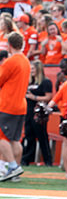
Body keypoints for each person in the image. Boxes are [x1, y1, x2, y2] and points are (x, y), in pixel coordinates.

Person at [0, 32, 30, 181]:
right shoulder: (26, 61)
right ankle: (15, 170)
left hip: (8, 104)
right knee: (14, 140)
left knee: (2, 137)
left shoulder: (11, 61)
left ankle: (13, 166)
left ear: (9, 45)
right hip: (20, 105)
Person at [22, 60, 53, 167]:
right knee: (29, 135)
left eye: (33, 69)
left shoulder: (45, 82)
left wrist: (34, 97)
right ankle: (26, 159)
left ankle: (48, 160)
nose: (31, 71)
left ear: (38, 69)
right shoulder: (29, 82)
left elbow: (48, 97)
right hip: (28, 111)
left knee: (42, 136)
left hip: (39, 113)